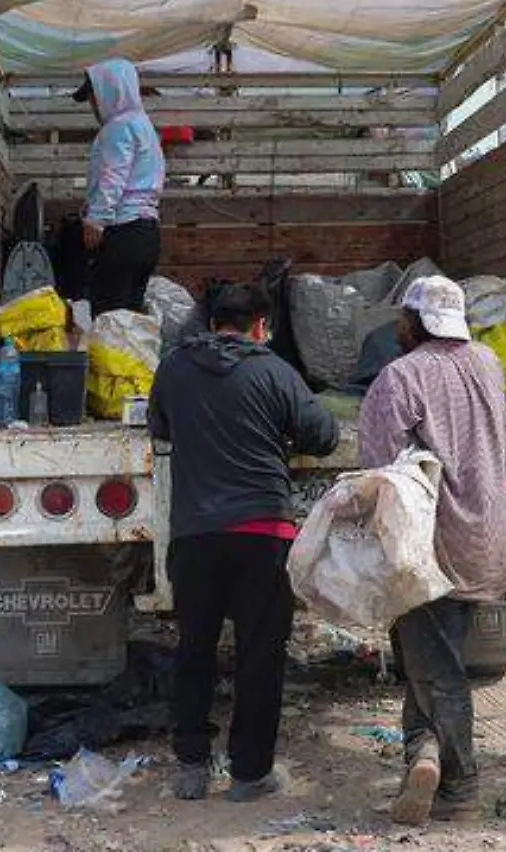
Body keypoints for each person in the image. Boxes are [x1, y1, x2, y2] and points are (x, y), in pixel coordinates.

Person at [147, 282, 339, 803]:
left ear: (212, 323)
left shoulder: (174, 368)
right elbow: (323, 434)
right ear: (260, 327)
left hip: (196, 535)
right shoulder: (275, 371)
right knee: (259, 654)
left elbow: (158, 427)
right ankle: (249, 774)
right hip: (263, 533)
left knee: (194, 649)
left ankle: (191, 767)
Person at [358, 276, 506, 826]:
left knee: (437, 669)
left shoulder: (399, 377)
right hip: (483, 537)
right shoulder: (489, 364)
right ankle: (421, 760)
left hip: (427, 545)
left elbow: (377, 467)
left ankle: (460, 786)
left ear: (412, 323)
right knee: (429, 659)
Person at [74, 58, 165, 318]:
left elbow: (113, 176)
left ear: (110, 91)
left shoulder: (119, 127)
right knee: (130, 320)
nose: (93, 104)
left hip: (123, 230)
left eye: (94, 96)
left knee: (108, 319)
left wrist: (96, 220)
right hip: (147, 231)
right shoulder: (144, 126)